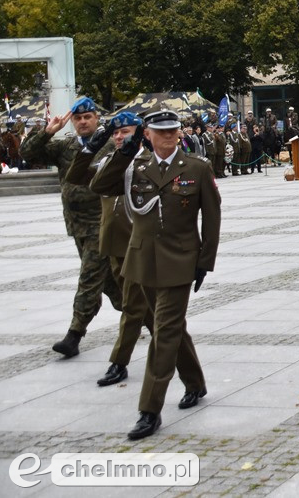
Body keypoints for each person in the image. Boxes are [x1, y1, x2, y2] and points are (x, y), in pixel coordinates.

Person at [90, 109, 219, 440]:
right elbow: (99, 185)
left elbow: (213, 219)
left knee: (163, 332)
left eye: (173, 130)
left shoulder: (197, 168)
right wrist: (125, 151)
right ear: (146, 134)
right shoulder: (136, 166)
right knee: (173, 328)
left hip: (180, 261)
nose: (168, 136)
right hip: (142, 261)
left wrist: (205, 261)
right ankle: (195, 382)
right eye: (160, 132)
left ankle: (149, 410)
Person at [20, 97, 123, 358]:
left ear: (96, 118)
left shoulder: (110, 145)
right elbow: (27, 153)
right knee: (110, 283)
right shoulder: (65, 146)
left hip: (101, 224)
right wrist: (47, 131)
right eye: (78, 118)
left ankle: (74, 334)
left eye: (87, 117)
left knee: (89, 277)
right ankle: (146, 315)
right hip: (76, 226)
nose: (83, 122)